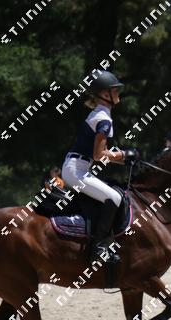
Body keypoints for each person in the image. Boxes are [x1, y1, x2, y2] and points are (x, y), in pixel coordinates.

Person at [61, 71, 136, 263]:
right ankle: (99, 247)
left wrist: (124, 160)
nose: (118, 93)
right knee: (114, 197)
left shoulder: (101, 114)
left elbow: (101, 154)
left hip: (77, 167)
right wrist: (122, 155)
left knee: (112, 194)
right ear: (104, 94)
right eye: (115, 90)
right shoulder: (103, 118)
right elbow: (99, 155)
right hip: (75, 170)